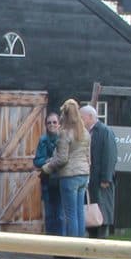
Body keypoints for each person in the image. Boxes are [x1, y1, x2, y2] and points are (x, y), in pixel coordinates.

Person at [42, 97, 91, 237]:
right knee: (79, 212)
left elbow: (62, 159)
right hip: (83, 175)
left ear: (65, 114)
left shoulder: (65, 133)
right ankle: (81, 248)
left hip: (69, 176)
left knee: (70, 214)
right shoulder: (85, 133)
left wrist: (46, 168)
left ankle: (71, 251)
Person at [82, 104, 116, 238]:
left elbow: (110, 155)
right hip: (90, 179)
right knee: (91, 209)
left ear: (90, 117)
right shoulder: (86, 132)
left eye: (82, 117)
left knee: (102, 210)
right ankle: (92, 238)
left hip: (102, 180)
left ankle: (102, 241)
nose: (80, 120)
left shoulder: (104, 131)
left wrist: (106, 178)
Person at [32, 110, 62, 236]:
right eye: (49, 122)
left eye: (54, 122)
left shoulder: (64, 139)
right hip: (47, 181)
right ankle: (49, 243)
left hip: (61, 180)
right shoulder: (43, 140)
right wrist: (47, 161)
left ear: (59, 124)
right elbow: (37, 161)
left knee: (60, 215)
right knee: (49, 214)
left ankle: (61, 242)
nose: (52, 125)